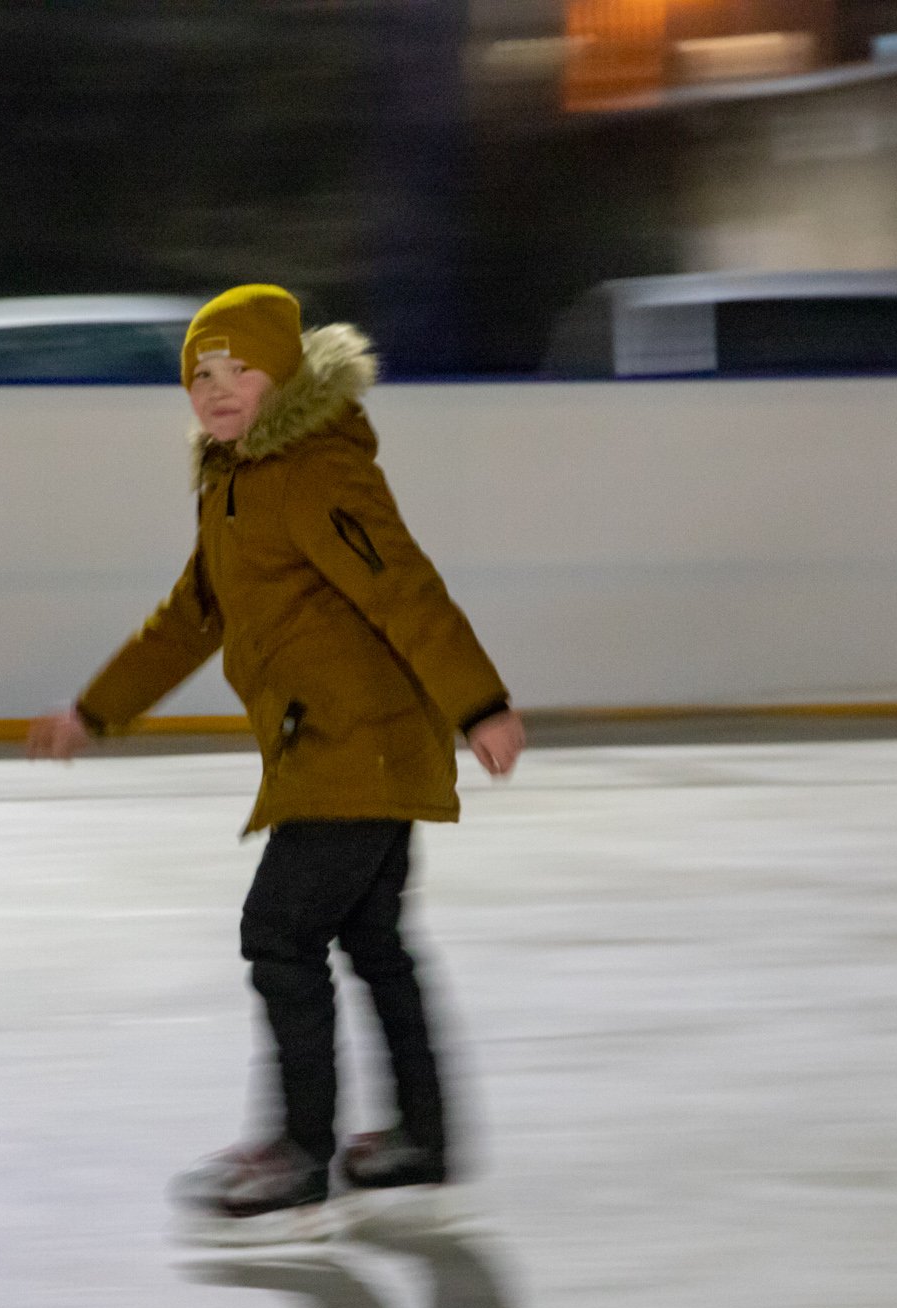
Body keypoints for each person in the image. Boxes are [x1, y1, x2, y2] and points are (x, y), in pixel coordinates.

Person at [27, 284, 525, 1244]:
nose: (216, 390)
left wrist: (481, 703)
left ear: (286, 373)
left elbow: (404, 585)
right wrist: (95, 710)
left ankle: (299, 1154)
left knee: (281, 933)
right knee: (373, 940)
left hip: (357, 742)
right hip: (335, 739)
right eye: (199, 375)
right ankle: (424, 1138)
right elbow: (191, 617)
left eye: (238, 370)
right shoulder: (235, 479)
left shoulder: (314, 470)